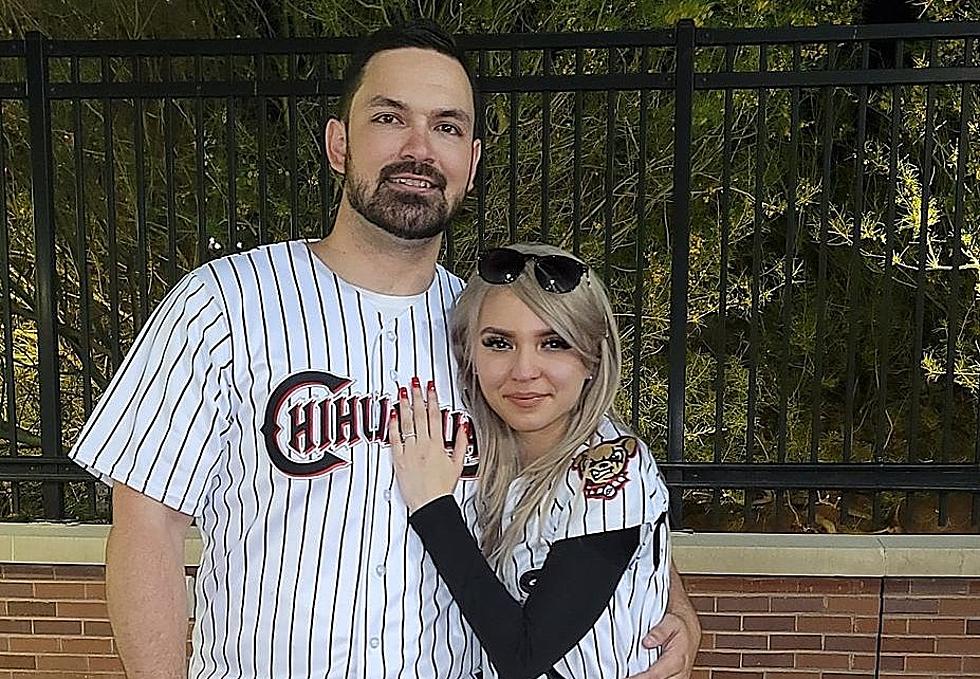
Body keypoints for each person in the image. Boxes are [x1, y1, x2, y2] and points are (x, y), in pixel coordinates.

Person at [67, 19, 699, 679]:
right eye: (391, 118)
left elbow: (599, 476)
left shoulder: (493, 333)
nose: (420, 149)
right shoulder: (224, 304)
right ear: (339, 143)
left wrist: (678, 608)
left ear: (473, 162)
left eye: (448, 127)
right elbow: (147, 528)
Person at [390, 243, 674, 679]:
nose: (524, 370)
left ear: (592, 359)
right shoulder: (493, 448)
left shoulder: (614, 465)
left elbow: (523, 655)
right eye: (499, 343)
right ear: (469, 355)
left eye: (553, 343)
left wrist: (432, 508)